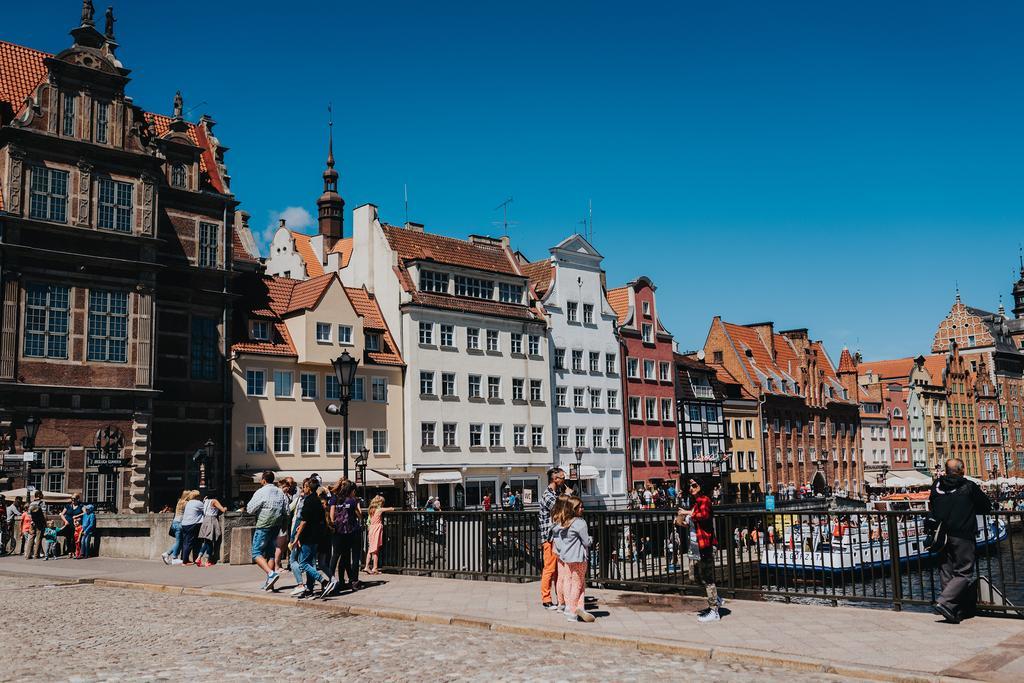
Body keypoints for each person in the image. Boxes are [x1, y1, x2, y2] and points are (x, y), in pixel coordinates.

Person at [930, 458, 992, 624]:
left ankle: (950, 608)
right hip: (962, 533)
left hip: (942, 535)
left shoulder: (936, 485)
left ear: (946, 470)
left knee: (946, 570)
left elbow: (933, 506)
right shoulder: (968, 486)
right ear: (962, 469)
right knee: (964, 571)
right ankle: (944, 601)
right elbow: (986, 506)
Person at [678, 479, 725, 622]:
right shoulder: (695, 502)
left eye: (694, 485)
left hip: (705, 545)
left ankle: (714, 611)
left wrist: (688, 512)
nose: (691, 488)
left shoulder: (705, 500)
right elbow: (695, 524)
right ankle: (716, 598)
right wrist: (683, 522)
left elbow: (703, 516)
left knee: (707, 577)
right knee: (693, 576)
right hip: (695, 546)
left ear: (701, 486)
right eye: (690, 486)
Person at [551, 495, 595, 623]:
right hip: (578, 557)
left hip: (567, 556)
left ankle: (578, 607)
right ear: (574, 509)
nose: (583, 509)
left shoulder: (564, 522)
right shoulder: (580, 523)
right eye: (580, 507)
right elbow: (586, 542)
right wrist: (591, 539)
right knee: (578, 584)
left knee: (570, 581)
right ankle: (572, 610)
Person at [246, 470, 291, 591]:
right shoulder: (280, 492)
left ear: (264, 480)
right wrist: (284, 525)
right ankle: (270, 582)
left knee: (256, 552)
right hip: (276, 525)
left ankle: (271, 574)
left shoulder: (261, 492)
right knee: (271, 553)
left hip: (264, 524)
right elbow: (287, 511)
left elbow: (250, 509)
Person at [323, 481, 363, 598]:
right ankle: (353, 580)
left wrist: (333, 526)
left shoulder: (335, 499)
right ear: (352, 491)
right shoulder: (352, 501)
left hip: (337, 531)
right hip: (350, 531)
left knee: (335, 555)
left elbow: (331, 515)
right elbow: (359, 515)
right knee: (351, 556)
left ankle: (331, 578)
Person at [292, 478, 329, 599]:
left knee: (303, 563)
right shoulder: (317, 500)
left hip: (308, 536)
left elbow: (304, 521)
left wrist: (297, 537)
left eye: (304, 487)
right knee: (310, 563)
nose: (303, 489)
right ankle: (309, 588)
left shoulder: (308, 501)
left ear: (308, 488)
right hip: (316, 536)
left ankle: (323, 581)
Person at [539, 467, 566, 610]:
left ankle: (559, 598)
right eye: (562, 477)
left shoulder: (557, 493)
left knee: (557, 570)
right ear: (555, 479)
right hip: (549, 537)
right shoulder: (547, 495)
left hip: (556, 536)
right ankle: (546, 599)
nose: (564, 479)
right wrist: (568, 497)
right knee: (549, 569)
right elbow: (559, 509)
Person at [363, 495, 394, 575]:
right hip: (377, 530)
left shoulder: (371, 510)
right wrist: (391, 508)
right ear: (380, 503)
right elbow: (391, 509)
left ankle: (366, 566)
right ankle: (375, 568)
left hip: (371, 529)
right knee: (375, 550)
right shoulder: (379, 510)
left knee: (370, 549)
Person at [195, 495, 227, 567]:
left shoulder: (205, 501)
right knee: (209, 541)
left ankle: (198, 558)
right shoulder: (214, 501)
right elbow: (223, 510)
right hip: (211, 521)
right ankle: (207, 561)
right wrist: (225, 508)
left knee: (207, 541)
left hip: (205, 520)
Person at [176, 491, 203, 565]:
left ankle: (185, 559)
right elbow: (205, 510)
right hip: (193, 524)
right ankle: (185, 561)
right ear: (196, 496)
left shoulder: (188, 503)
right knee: (192, 543)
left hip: (185, 524)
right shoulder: (198, 503)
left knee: (186, 542)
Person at [162, 490, 189, 564]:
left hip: (175, 522)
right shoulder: (186, 503)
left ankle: (167, 554)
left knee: (179, 541)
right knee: (179, 541)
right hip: (179, 523)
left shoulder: (180, 501)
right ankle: (173, 557)